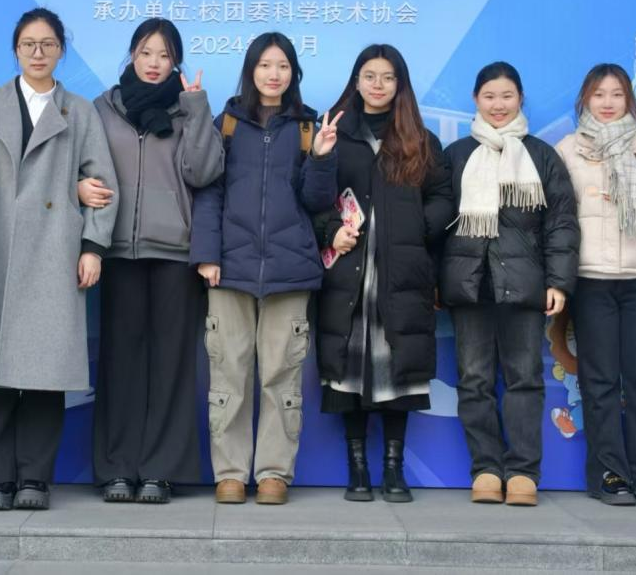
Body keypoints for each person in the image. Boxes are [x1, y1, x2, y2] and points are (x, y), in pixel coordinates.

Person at [0, 7, 118, 512]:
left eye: (48, 44)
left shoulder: (78, 111)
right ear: (16, 50)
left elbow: (103, 186)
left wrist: (93, 247)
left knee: (44, 374)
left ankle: (35, 480)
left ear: (61, 50)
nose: (38, 53)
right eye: (28, 45)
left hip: (53, 252)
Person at [191, 32, 339, 505]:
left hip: (290, 271)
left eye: (283, 66)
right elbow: (208, 192)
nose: (274, 75)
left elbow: (317, 202)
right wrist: (207, 255)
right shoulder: (227, 124)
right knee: (228, 375)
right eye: (264, 65)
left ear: (294, 72)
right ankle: (230, 474)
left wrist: (322, 157)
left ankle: (274, 473)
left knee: (281, 377)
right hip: (229, 269)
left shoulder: (309, 127)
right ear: (250, 70)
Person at [82, 18, 224, 504]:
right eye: (146, 53)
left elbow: (204, 173)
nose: (154, 63)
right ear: (132, 55)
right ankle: (117, 468)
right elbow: (78, 166)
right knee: (119, 363)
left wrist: (197, 109)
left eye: (164, 55)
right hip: (117, 249)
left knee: (171, 365)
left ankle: (160, 471)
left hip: (175, 252)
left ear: (176, 62)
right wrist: (78, 188)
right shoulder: (102, 108)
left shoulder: (188, 109)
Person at [312, 45, 453, 503]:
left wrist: (417, 229)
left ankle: (393, 469)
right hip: (349, 272)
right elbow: (312, 198)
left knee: (398, 366)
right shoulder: (333, 132)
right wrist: (331, 231)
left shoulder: (419, 139)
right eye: (369, 76)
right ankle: (357, 468)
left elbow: (443, 197)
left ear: (400, 85)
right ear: (356, 81)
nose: (377, 85)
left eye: (387, 77)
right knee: (349, 368)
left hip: (402, 273)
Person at [438, 62, 579, 506]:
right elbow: (437, 222)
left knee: (524, 379)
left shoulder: (541, 156)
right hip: (470, 285)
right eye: (489, 96)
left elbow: (561, 223)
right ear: (475, 100)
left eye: (507, 96)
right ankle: (485, 469)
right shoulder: (456, 155)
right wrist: (436, 280)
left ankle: (522, 472)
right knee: (473, 379)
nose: (498, 105)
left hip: (524, 286)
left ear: (520, 99)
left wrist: (558, 282)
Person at [555, 63, 636, 507]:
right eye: (599, 94)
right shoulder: (568, 150)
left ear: (630, 100)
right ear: (585, 100)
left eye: (617, 94)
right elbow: (560, 216)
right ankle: (609, 473)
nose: (608, 103)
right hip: (591, 279)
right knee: (599, 379)